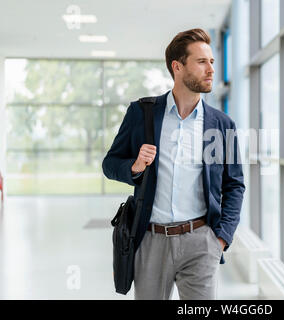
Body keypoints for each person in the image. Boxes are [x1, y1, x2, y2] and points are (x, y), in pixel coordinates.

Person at [102, 28, 245, 300]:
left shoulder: (222, 125)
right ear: (177, 67)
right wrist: (135, 167)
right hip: (151, 240)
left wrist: (221, 238)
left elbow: (234, 185)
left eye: (212, 62)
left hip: (201, 241)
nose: (211, 69)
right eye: (202, 62)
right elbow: (110, 164)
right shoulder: (142, 113)